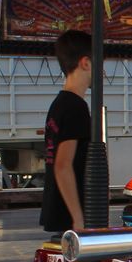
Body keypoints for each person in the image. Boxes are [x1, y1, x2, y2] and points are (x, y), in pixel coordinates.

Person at [40, 29, 91, 235]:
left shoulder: (59, 104)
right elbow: (63, 165)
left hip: (57, 207)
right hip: (69, 215)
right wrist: (78, 217)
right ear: (86, 63)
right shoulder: (75, 107)